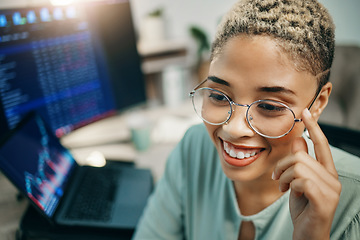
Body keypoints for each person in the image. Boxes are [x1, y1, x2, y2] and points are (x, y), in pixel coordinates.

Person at [133, 0, 360, 239]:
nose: (233, 128)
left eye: (269, 106)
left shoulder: (354, 205)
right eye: (218, 96)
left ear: (318, 103)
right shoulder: (194, 147)